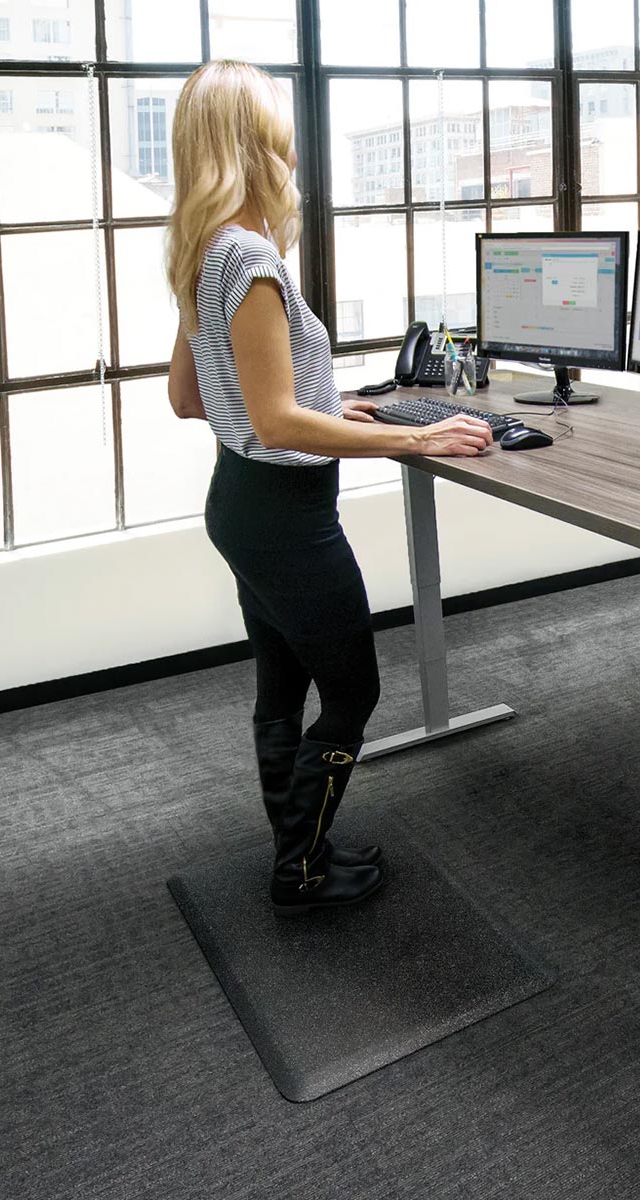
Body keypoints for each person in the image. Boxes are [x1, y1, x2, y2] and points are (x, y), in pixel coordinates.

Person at [163, 60, 492, 915]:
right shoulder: (251, 260)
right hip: (286, 516)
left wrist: (317, 402)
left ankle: (296, 847)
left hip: (239, 504)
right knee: (352, 689)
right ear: (255, 144)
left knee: (282, 684)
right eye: (283, 134)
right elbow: (275, 423)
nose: (295, 154)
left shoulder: (205, 254)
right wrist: (415, 433)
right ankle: (301, 873)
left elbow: (191, 397)